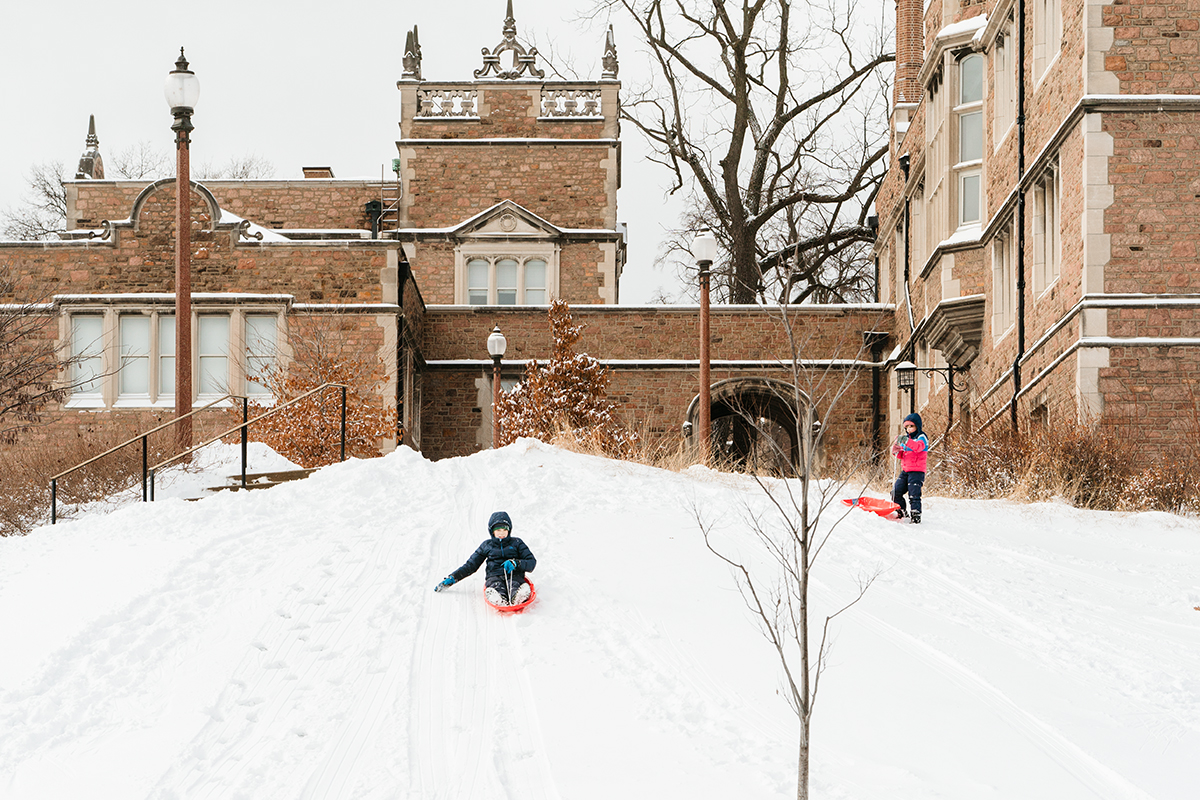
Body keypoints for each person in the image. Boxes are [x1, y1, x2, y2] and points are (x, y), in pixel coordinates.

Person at [434, 511, 537, 605]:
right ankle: (498, 598)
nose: (501, 533)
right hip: (494, 576)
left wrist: (516, 563)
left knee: (515, 584)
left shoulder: (517, 543)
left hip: (514, 575)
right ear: (492, 532)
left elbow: (531, 562)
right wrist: (453, 578)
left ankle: (519, 596)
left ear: (509, 530)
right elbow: (471, 565)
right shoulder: (487, 545)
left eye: (504, 530)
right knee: (496, 586)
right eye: (498, 530)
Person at [890, 413, 929, 524]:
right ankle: (901, 510)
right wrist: (896, 450)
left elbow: (917, 448)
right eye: (906, 427)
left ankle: (916, 516)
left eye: (911, 426)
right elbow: (903, 455)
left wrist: (906, 441)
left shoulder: (922, 438)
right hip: (906, 471)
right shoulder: (907, 439)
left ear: (917, 426)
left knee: (914, 494)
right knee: (895, 491)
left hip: (917, 472)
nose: (908, 429)